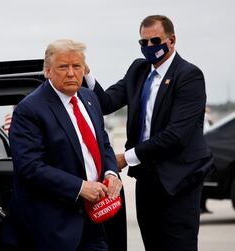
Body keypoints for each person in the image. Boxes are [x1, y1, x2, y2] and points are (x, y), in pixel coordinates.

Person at [85, 15, 214, 251]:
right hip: (146, 178)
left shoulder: (189, 76)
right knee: (152, 244)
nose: (149, 48)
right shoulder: (138, 70)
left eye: (155, 41)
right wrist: (86, 73)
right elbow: (105, 102)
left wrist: (125, 158)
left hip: (179, 179)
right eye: (143, 43)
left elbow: (175, 136)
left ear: (172, 40)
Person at [2, 39, 123, 251]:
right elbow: (30, 167)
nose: (70, 73)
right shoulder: (30, 109)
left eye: (76, 66)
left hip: (96, 218)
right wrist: (80, 187)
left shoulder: (89, 98)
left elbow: (103, 143)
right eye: (63, 67)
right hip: (55, 228)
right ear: (48, 71)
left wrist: (112, 172)